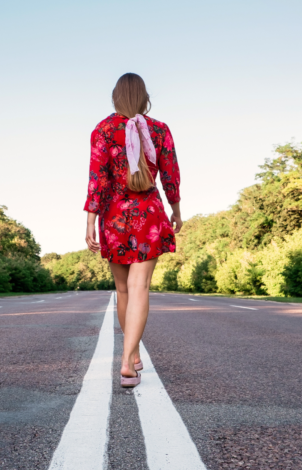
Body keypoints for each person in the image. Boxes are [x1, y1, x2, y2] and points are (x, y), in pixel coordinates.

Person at [84, 73, 182, 388]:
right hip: (150, 216)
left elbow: (96, 178)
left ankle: (130, 355)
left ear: (116, 97)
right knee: (140, 288)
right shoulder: (159, 130)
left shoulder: (102, 130)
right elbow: (170, 175)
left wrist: (89, 220)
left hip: (113, 217)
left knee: (124, 290)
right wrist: (176, 208)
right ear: (143, 97)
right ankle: (130, 357)